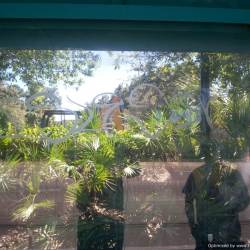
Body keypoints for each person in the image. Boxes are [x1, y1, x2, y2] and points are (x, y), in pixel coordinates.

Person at [183, 160, 250, 250]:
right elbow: (243, 203)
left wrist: (196, 228)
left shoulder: (196, 173)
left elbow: (189, 206)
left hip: (206, 235)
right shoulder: (233, 173)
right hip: (228, 235)